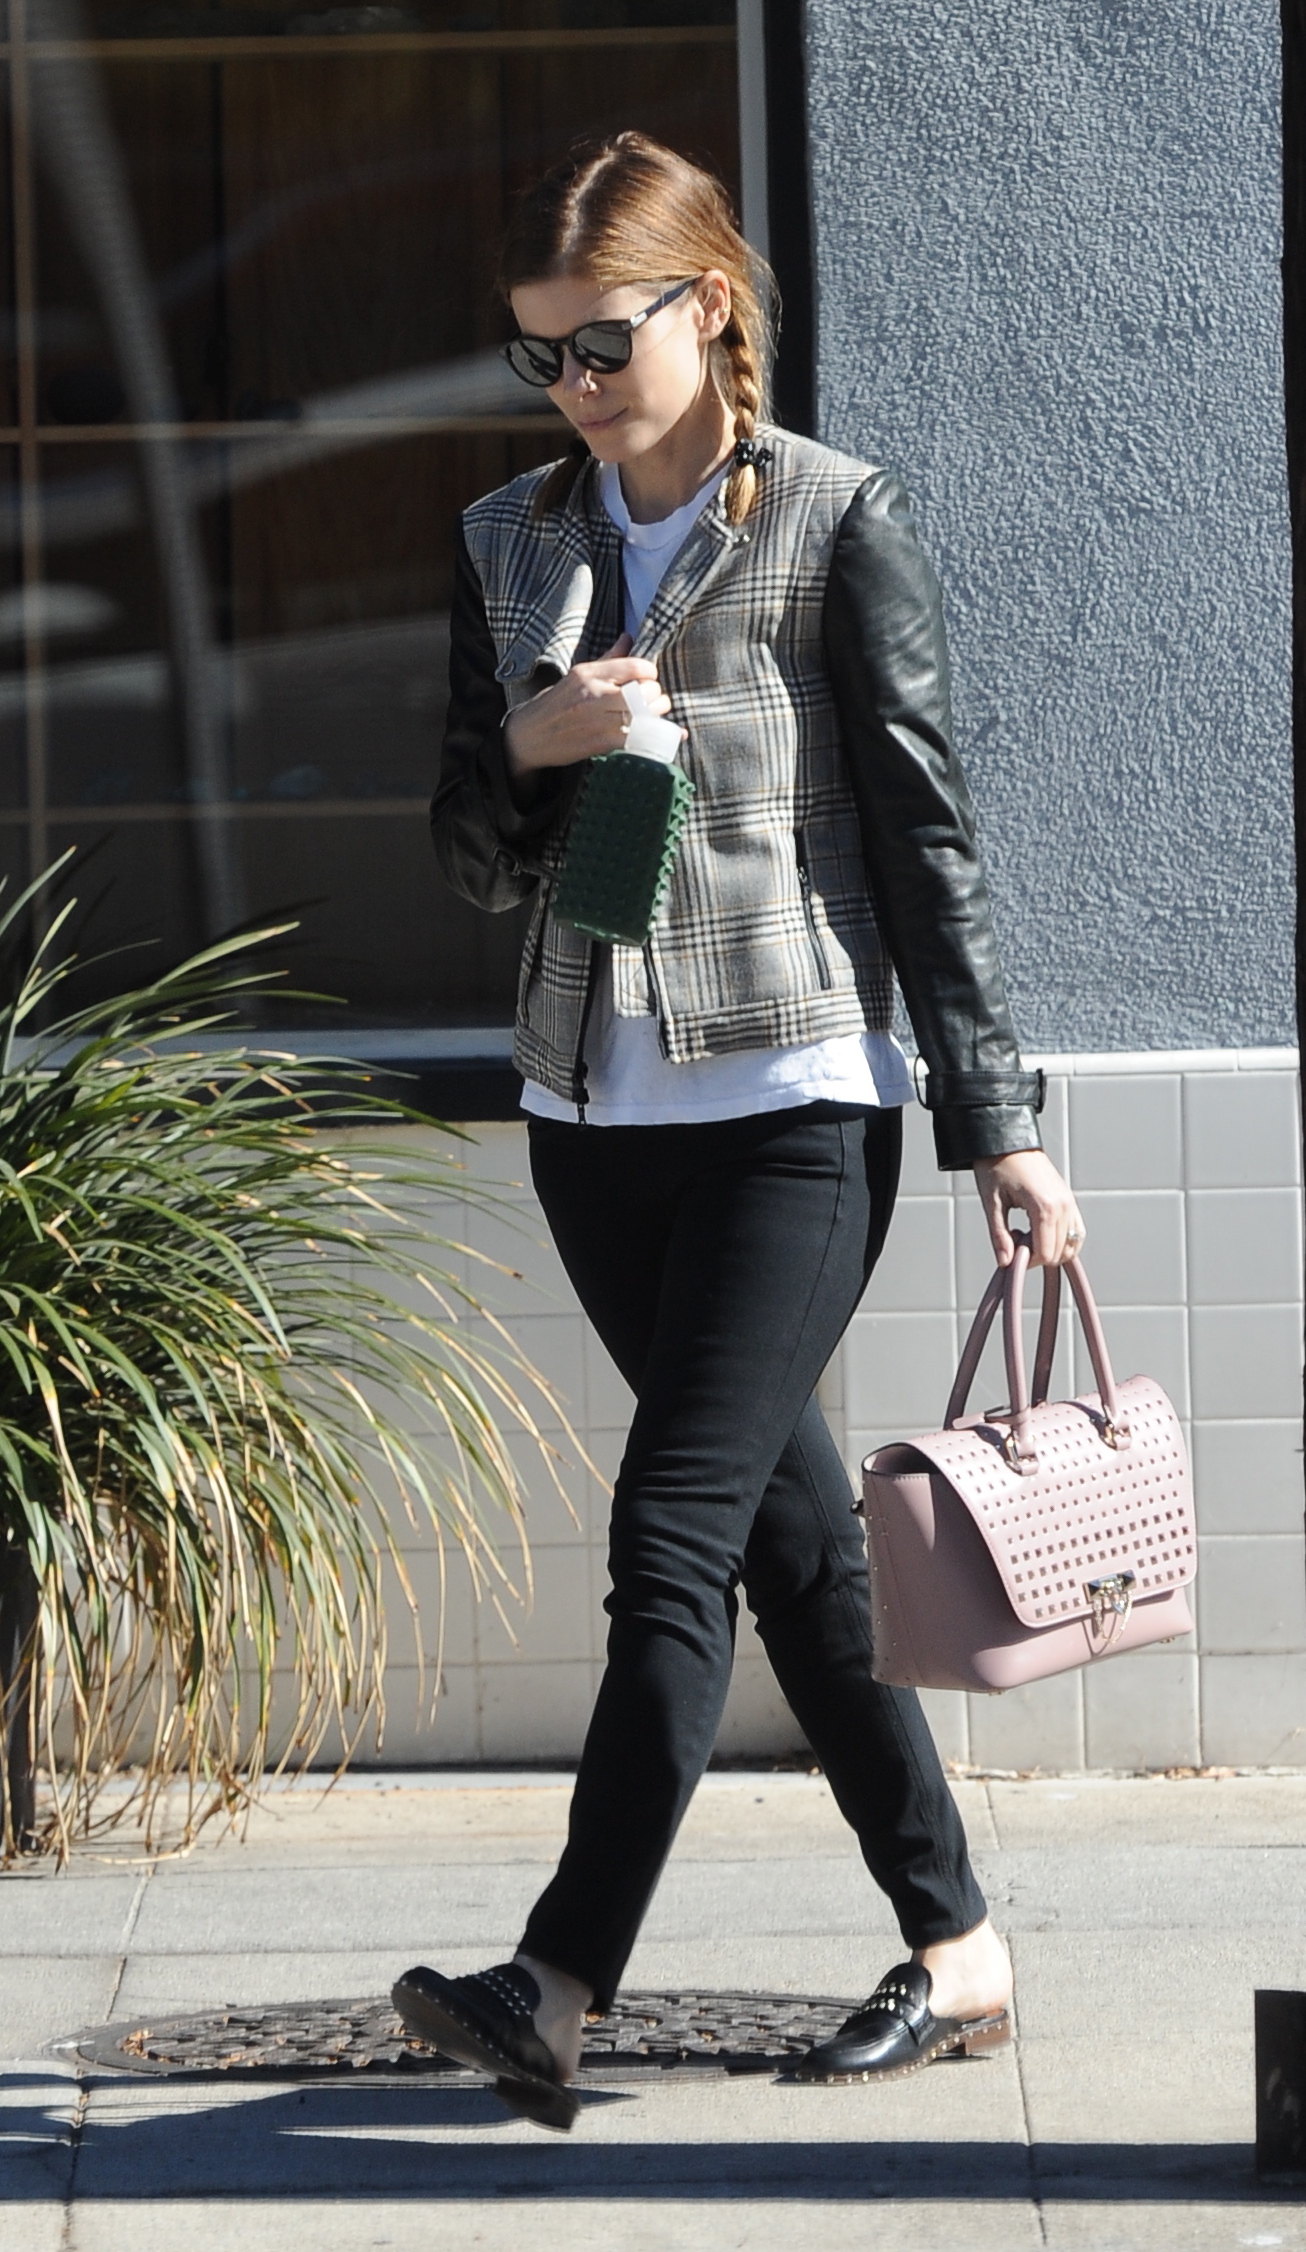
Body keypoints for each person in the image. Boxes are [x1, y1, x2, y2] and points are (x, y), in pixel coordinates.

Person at [397, 131, 1086, 2133]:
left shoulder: (835, 523)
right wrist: (536, 743)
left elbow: (924, 836)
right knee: (791, 1550)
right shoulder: (509, 542)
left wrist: (999, 1121)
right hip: (589, 1116)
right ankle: (958, 1944)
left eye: (602, 343)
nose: (574, 389)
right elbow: (466, 856)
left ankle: (555, 1983)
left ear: (708, 306)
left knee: (672, 1537)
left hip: (792, 1108)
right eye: (540, 356)